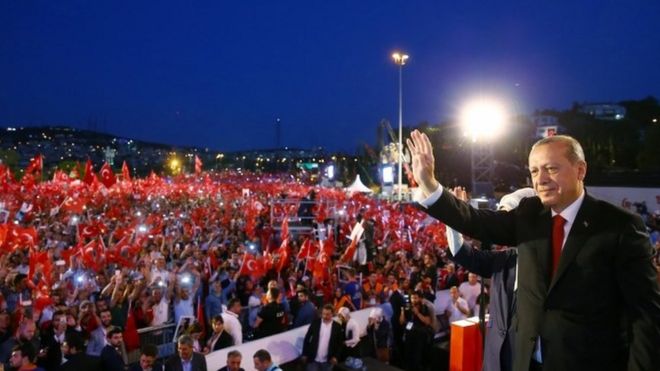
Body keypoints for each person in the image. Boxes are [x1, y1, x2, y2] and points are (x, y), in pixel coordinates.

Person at [407, 130, 660, 371]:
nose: (541, 179)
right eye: (535, 171)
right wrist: (429, 183)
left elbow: (645, 316)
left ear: (580, 170)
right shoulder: (529, 214)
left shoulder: (620, 226)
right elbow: (476, 221)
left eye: (551, 168)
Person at [444, 187, 534, 371]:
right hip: (495, 362)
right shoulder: (504, 259)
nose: (501, 228)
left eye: (508, 220)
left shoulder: (555, 265)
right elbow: (460, 252)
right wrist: (454, 217)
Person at [301, 304, 343, 371]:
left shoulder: (337, 327)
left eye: (328, 314)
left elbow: (340, 344)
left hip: (328, 361)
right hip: (313, 359)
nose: (325, 316)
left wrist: (336, 357)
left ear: (333, 314)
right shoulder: (315, 323)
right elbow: (307, 338)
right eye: (323, 314)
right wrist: (304, 353)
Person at [399, 290, 434, 370]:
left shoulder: (424, 308)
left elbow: (427, 322)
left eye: (415, 298)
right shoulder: (408, 307)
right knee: (408, 355)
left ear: (419, 299)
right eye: (412, 298)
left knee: (417, 356)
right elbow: (401, 322)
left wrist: (418, 313)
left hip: (420, 336)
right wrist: (402, 312)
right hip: (409, 335)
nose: (413, 300)